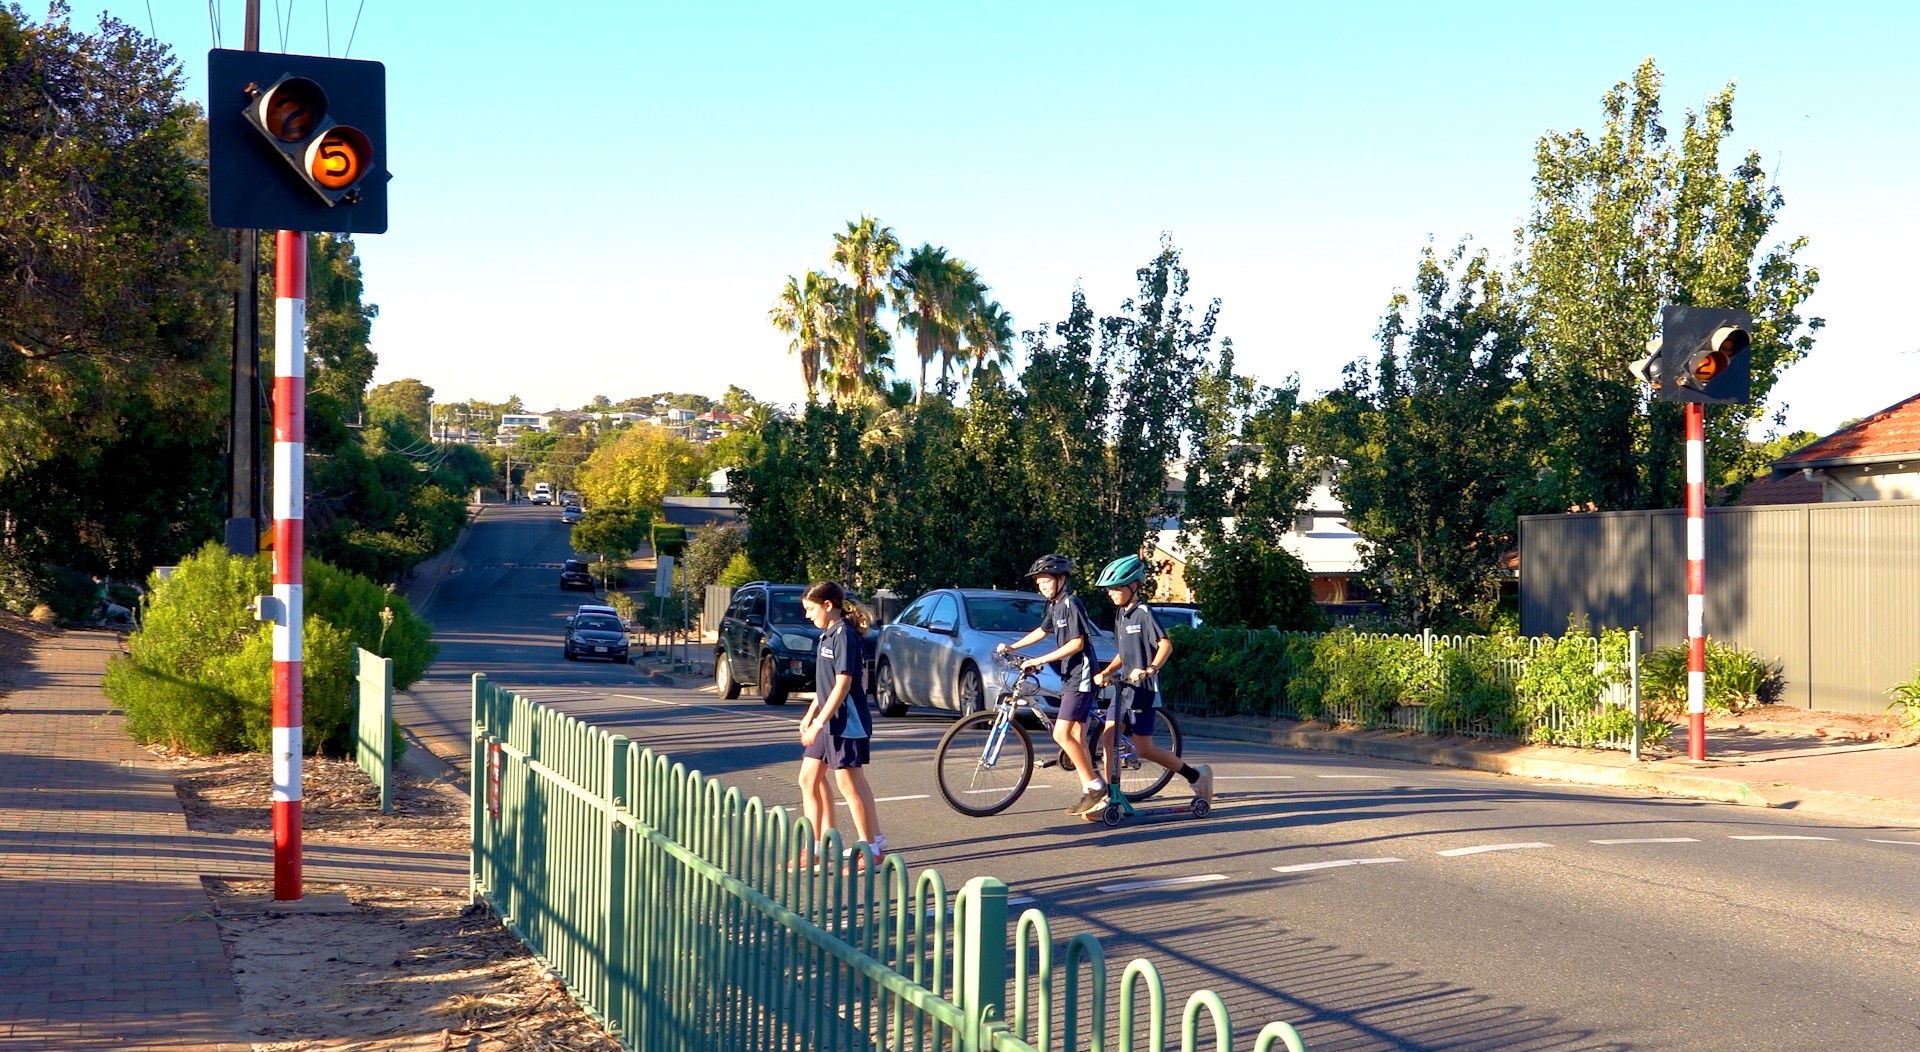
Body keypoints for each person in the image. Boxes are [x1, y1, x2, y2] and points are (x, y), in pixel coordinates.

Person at [1090, 554, 1212, 805]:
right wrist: (1108, 672)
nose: (1110, 593)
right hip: (1123, 689)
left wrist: (1151, 668)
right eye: (1109, 589)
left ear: (1133, 586)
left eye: (1115, 588)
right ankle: (1112, 796)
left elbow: (1165, 645)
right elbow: (1123, 655)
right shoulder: (1121, 615)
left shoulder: (1144, 612)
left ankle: (1196, 775)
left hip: (1142, 690)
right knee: (1109, 738)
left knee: (1144, 749)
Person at [997, 553, 1108, 817]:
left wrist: (1041, 659)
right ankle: (1093, 794)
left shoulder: (1071, 603)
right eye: (1038, 582)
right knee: (1077, 738)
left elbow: (1077, 643)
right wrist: (1014, 646)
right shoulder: (1054, 605)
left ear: (1061, 579)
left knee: (1061, 734)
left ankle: (1096, 786)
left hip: (1081, 674)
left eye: (1045, 580)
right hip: (1068, 675)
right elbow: (1042, 631)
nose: (1041, 586)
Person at [796, 581, 887, 868]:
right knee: (808, 778)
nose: (807, 615)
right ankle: (817, 848)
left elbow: (843, 684)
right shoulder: (827, 635)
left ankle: (871, 848)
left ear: (828, 605)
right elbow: (826, 686)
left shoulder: (844, 635)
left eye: (811, 609)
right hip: (827, 721)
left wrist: (819, 721)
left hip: (845, 721)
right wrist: (810, 714)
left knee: (849, 782)